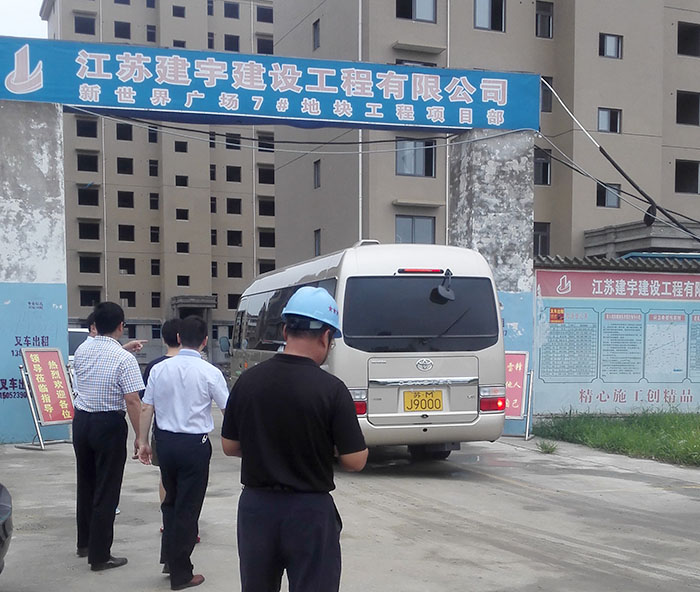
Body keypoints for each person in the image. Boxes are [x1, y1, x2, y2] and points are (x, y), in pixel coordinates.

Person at [221, 286, 368, 592]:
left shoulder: (248, 381)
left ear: (285, 330)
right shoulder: (332, 389)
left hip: (257, 509)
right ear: (326, 336)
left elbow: (229, 446)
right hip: (309, 512)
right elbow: (354, 460)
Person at [138, 316, 229, 591]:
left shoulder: (159, 369)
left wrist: (143, 441)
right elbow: (228, 409)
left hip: (165, 443)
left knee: (171, 502)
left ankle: (170, 558)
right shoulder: (210, 372)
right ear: (205, 341)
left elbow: (146, 407)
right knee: (188, 508)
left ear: (178, 338)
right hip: (194, 446)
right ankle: (181, 573)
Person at [72, 301, 145, 571]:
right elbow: (133, 400)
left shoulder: (83, 349)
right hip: (108, 425)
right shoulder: (124, 360)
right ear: (121, 326)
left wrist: (123, 348)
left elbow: (102, 358)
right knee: (107, 488)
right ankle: (100, 555)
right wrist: (140, 437)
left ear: (95, 324)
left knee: (86, 482)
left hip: (82, 422)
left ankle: (85, 543)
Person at [140, 318, 182, 508]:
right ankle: (187, 519)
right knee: (189, 479)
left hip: (162, 432)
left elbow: (146, 404)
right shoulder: (198, 366)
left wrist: (142, 440)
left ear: (164, 339)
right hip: (194, 436)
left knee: (166, 477)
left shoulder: (154, 367)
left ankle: (167, 516)